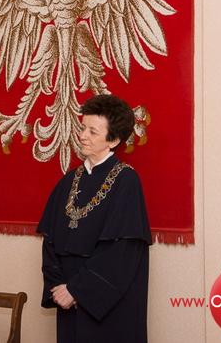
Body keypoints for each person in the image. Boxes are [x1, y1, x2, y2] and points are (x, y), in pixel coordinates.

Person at [37, 94, 152, 343]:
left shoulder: (127, 181)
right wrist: (59, 287)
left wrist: (77, 290)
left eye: (93, 131)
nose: (82, 136)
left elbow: (122, 252)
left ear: (114, 140)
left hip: (109, 307)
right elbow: (50, 241)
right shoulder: (67, 181)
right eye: (83, 128)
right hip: (67, 300)